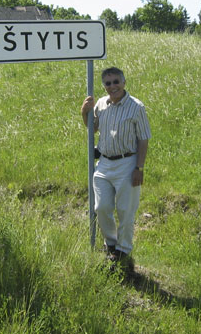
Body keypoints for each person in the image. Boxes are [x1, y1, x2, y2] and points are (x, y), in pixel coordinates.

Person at [81, 67, 151, 271]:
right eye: (108, 83)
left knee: (125, 210)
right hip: (103, 163)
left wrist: (139, 167)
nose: (112, 86)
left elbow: (144, 138)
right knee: (101, 207)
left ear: (124, 82)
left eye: (116, 82)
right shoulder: (101, 104)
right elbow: (92, 128)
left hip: (127, 163)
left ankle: (123, 251)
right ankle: (111, 244)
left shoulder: (136, 107)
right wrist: (84, 112)